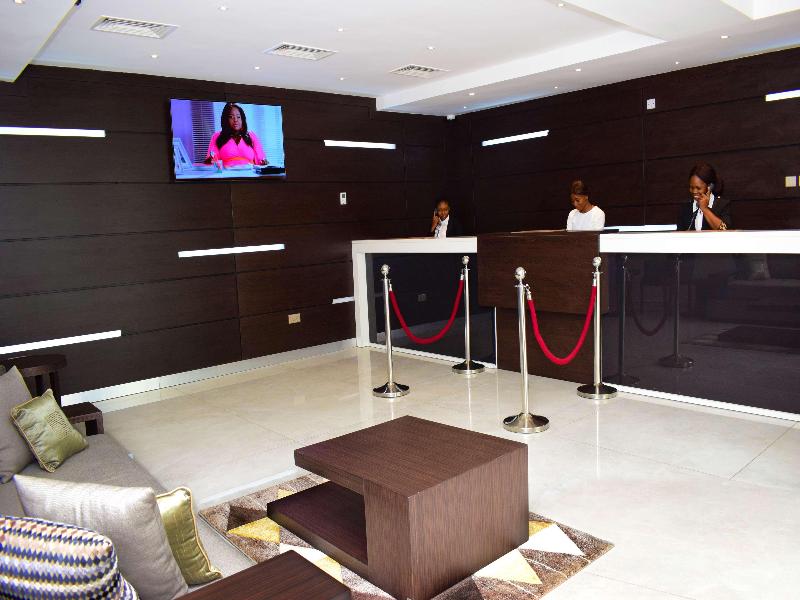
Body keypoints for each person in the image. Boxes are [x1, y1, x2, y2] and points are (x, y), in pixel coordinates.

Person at [204, 103, 267, 168]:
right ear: (226, 119)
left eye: (238, 117)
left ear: (242, 119)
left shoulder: (251, 136)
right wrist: (211, 160)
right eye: (231, 117)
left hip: (249, 172)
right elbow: (212, 160)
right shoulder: (217, 136)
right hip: (227, 173)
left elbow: (261, 159)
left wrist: (263, 161)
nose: (235, 120)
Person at [677, 163, 732, 231]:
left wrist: (705, 209)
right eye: (691, 187)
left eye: (698, 188)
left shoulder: (722, 205)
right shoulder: (685, 208)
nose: (694, 191)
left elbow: (725, 230)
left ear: (710, 187)